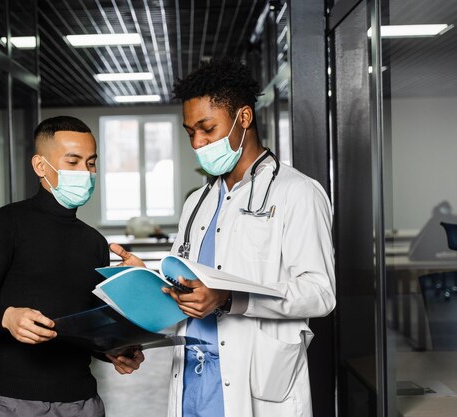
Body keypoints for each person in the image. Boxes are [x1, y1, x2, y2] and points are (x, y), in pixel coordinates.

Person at [111, 57, 336, 417]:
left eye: (207, 129)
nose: (198, 143)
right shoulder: (196, 203)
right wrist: (146, 283)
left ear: (243, 118)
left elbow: (319, 293)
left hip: (257, 381)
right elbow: (188, 291)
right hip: (193, 379)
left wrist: (229, 299)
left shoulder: (297, 192)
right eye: (190, 133)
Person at [0, 116, 144, 417]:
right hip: (11, 402)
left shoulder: (94, 242)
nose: (85, 172)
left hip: (82, 403)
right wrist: (7, 317)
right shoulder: (4, 224)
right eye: (72, 162)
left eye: (91, 163)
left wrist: (111, 350)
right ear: (40, 166)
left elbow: (86, 327)